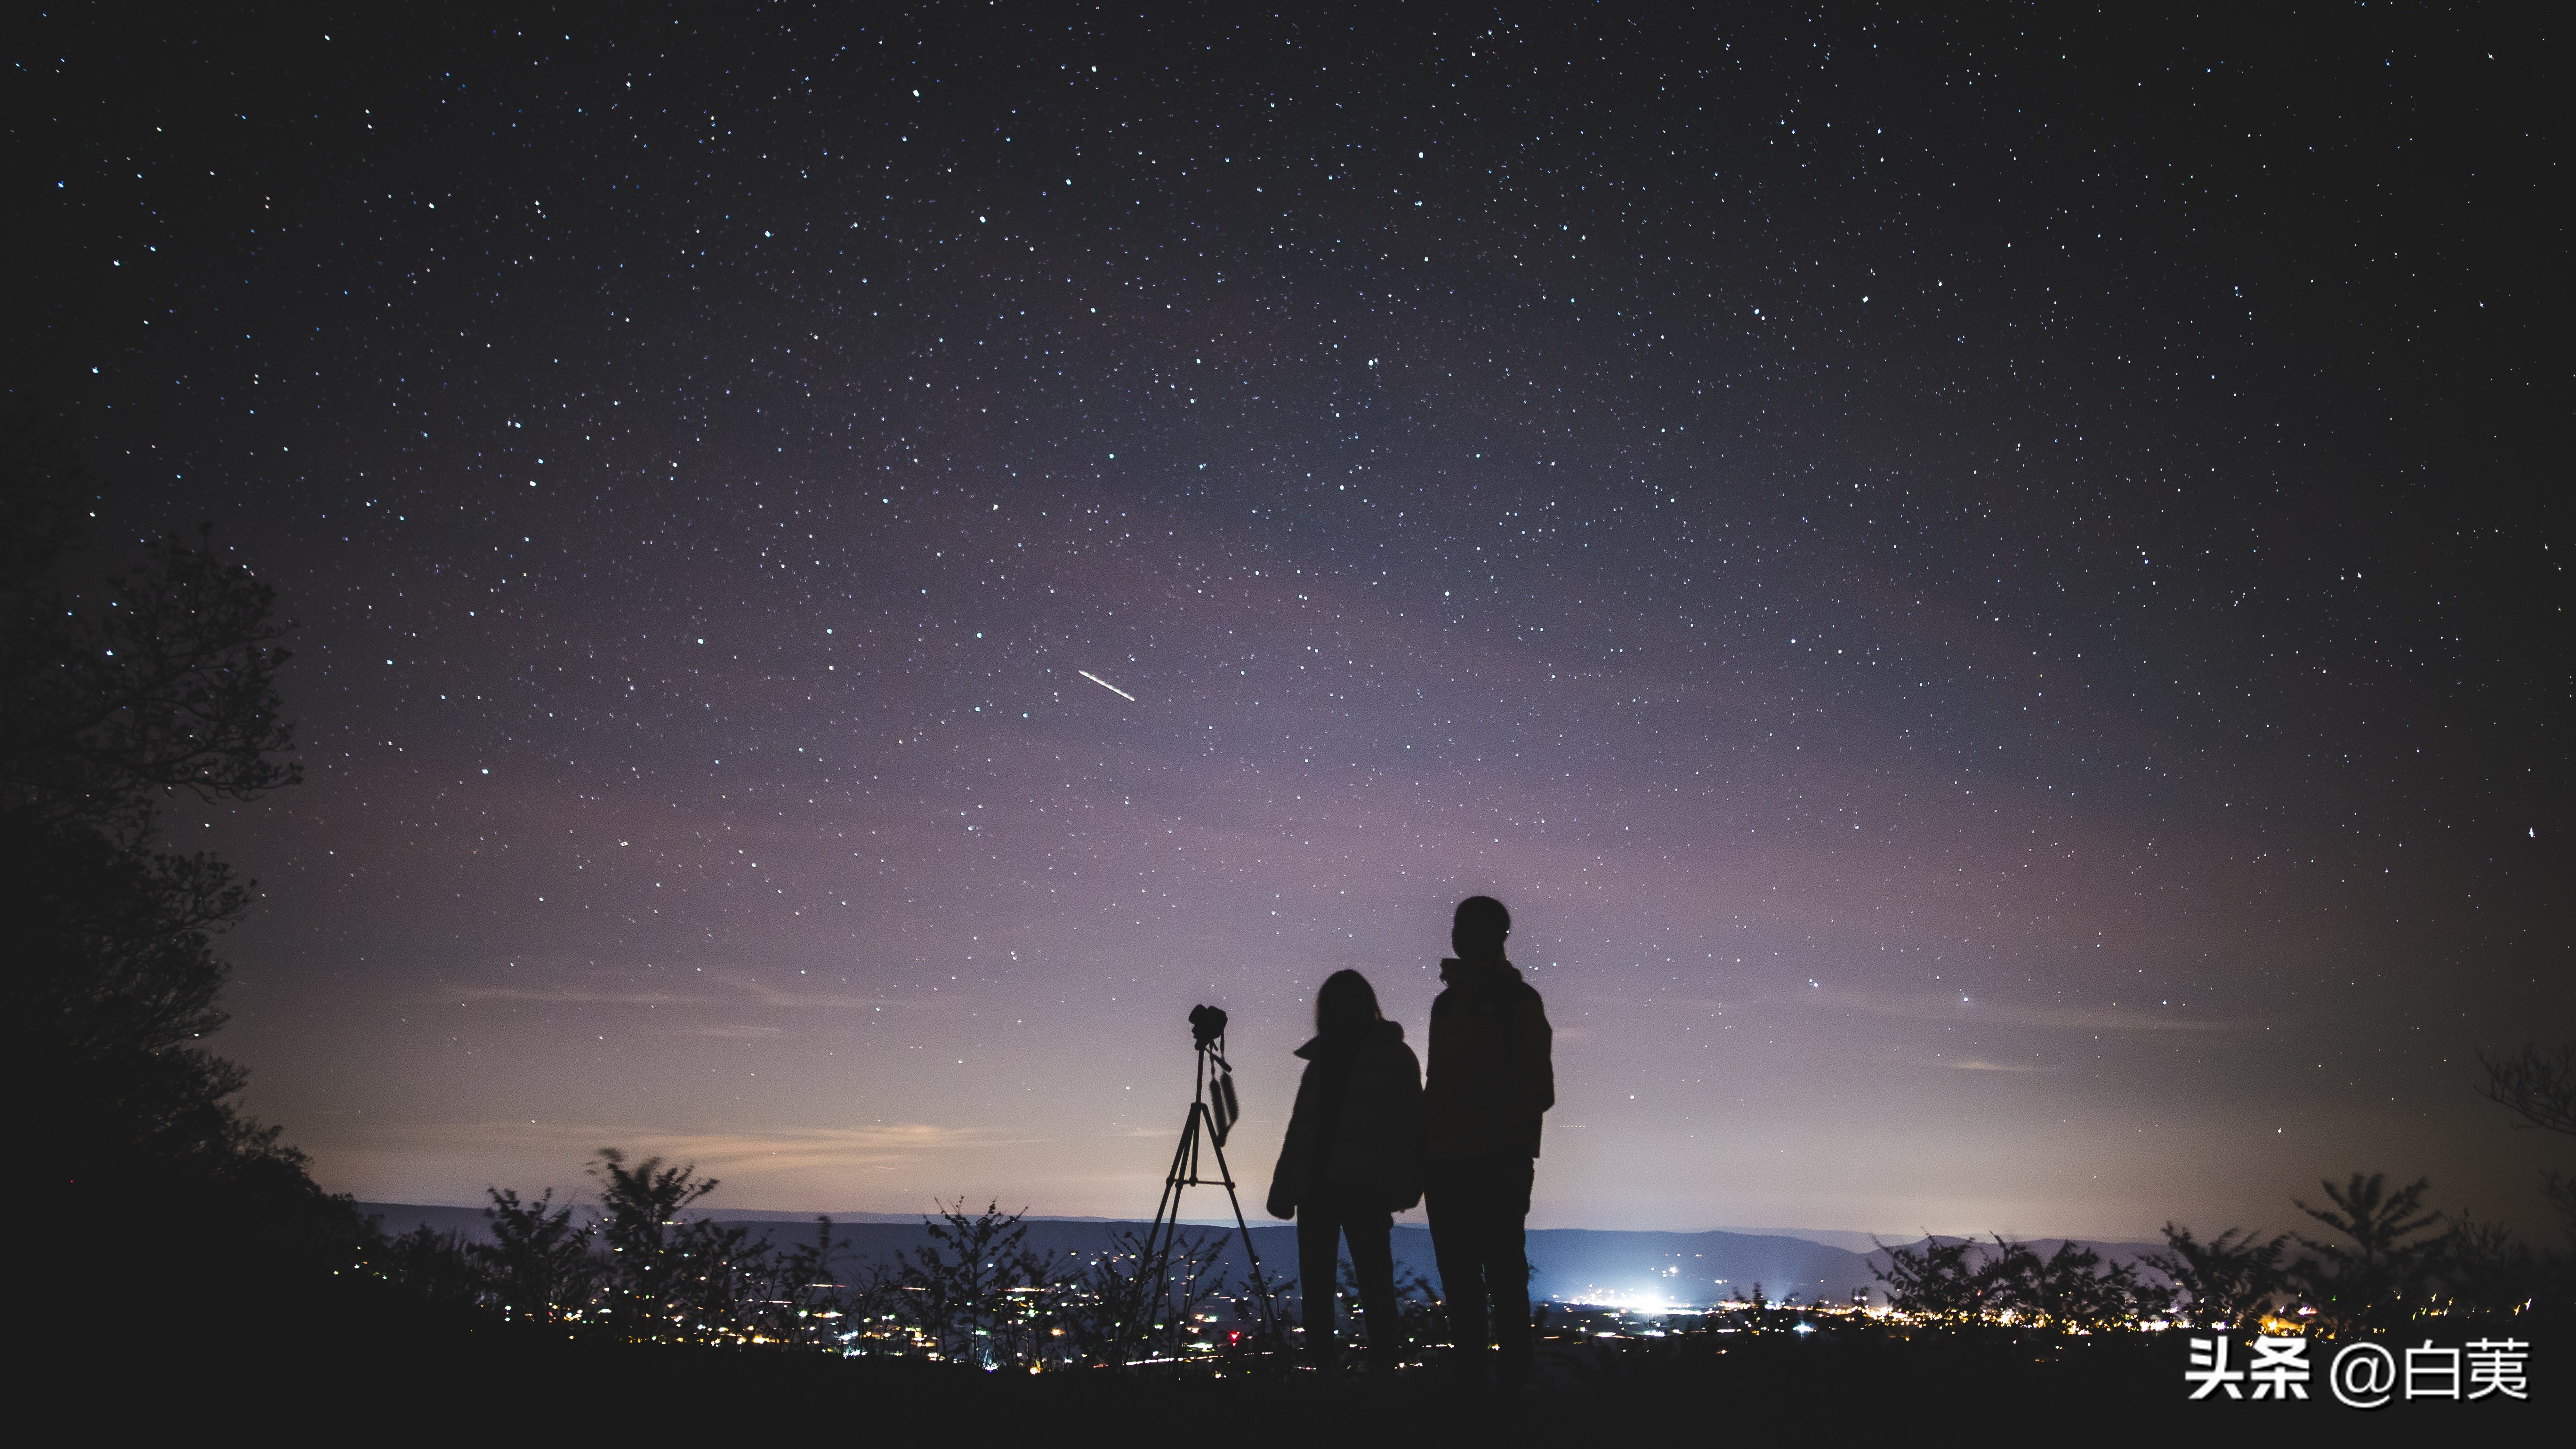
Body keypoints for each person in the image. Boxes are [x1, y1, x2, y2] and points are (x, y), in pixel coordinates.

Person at [1422, 895, 1554, 1387]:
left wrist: (1507, 1145)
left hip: (1495, 1161)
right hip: (1447, 1162)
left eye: (1475, 926)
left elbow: (1536, 1086)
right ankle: (1475, 1386)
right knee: (1461, 1280)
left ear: (1500, 935)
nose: (1463, 934)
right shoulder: (1447, 1004)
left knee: (1502, 1277)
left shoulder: (1517, 1001)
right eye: (1460, 924)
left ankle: (1511, 1387)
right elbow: (1438, 1083)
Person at [1266, 969, 1423, 1372]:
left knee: (1373, 1284)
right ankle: (1327, 1374)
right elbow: (1300, 1129)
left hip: (1363, 1188)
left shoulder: (1393, 1057)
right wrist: (1285, 1187)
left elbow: (1410, 1126)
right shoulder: (1322, 1061)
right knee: (1320, 1288)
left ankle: (1380, 1375)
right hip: (1318, 1188)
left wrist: (1404, 1184)